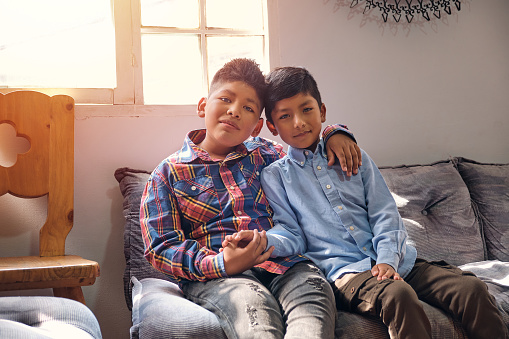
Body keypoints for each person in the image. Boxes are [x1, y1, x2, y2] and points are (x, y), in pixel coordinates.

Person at [224, 66, 508, 339]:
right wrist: (262, 241)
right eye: (285, 116)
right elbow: (292, 233)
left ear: (322, 111)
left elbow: (384, 213)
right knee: (399, 295)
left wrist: (387, 260)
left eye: (307, 109)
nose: (299, 122)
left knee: (472, 289)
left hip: (400, 261)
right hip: (346, 273)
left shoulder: (353, 155)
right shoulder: (276, 176)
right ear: (272, 126)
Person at [139, 58, 362, 339]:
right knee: (257, 312)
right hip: (222, 276)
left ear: (257, 126)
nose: (234, 111)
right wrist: (221, 263)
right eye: (225, 99)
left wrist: (334, 133)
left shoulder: (270, 155)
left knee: (314, 299)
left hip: (286, 264)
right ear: (202, 106)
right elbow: (161, 247)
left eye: (248, 108)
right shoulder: (167, 174)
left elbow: (307, 150)